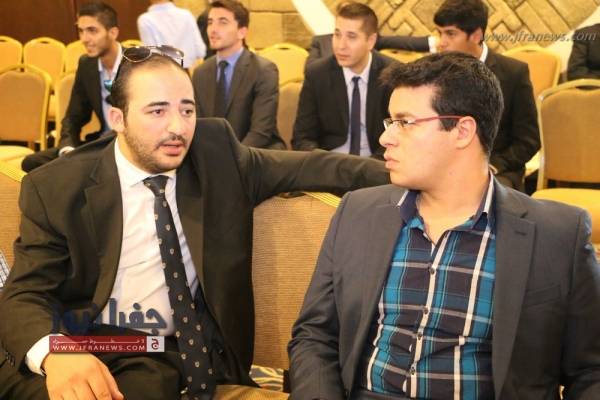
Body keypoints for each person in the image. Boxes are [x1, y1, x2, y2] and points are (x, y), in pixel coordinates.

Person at [0, 43, 390, 399]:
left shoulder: (216, 153)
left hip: (162, 353)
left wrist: (407, 170)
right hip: (83, 340)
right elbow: (24, 294)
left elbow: (318, 167)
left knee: (145, 384)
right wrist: (57, 353)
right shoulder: (57, 187)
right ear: (117, 118)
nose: (178, 127)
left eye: (187, 110)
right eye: (157, 111)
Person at [288, 51, 600, 400]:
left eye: (405, 122)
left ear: (462, 131)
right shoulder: (358, 212)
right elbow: (314, 336)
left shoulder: (557, 235)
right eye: (390, 122)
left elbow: (591, 371)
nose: (385, 139)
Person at [434, 0, 539, 191]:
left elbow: (528, 141)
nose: (441, 42)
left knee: (480, 192)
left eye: (450, 33)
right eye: (439, 33)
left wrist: (493, 165)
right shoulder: (435, 72)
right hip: (446, 167)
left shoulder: (513, 73)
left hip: (498, 169)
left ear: (476, 35)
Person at [21, 1, 122, 173]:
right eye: (81, 31)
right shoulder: (87, 64)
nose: (84, 39)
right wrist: (67, 148)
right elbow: (73, 117)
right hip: (99, 144)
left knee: (86, 169)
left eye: (92, 30)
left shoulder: (135, 64)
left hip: (124, 147)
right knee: (32, 163)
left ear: (113, 33)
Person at [292, 1, 395, 159]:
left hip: (376, 163)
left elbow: (399, 135)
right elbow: (302, 138)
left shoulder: (391, 74)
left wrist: (369, 167)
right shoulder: (317, 74)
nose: (341, 46)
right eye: (337, 35)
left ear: (371, 41)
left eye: (351, 37)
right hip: (330, 163)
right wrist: (326, 164)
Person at [192, 0, 285, 149]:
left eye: (222, 22)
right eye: (210, 22)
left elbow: (260, 132)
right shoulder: (200, 73)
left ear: (242, 31)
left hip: (254, 153)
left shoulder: (263, 70)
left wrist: (231, 159)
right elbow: (197, 126)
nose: (213, 30)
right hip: (212, 154)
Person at [137, 0, 206, 68]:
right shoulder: (186, 15)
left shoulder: (145, 20)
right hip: (188, 71)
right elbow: (200, 51)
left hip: (165, 71)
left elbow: (153, 57)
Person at [306, 33, 434, 67]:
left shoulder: (368, 40)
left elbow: (396, 41)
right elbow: (310, 67)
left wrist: (433, 42)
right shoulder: (321, 40)